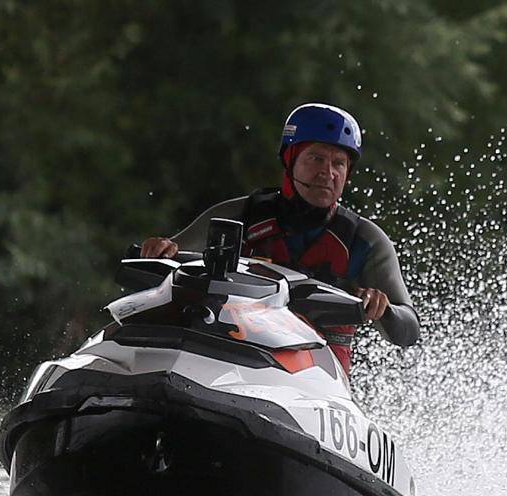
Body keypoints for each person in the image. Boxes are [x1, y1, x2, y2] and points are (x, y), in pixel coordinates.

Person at [140, 103, 419, 372]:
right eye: (316, 158)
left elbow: (408, 331)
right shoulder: (241, 214)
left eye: (339, 164)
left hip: (317, 380)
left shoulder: (365, 240)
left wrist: (384, 310)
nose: (328, 173)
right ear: (290, 160)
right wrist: (162, 250)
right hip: (234, 359)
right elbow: (171, 259)